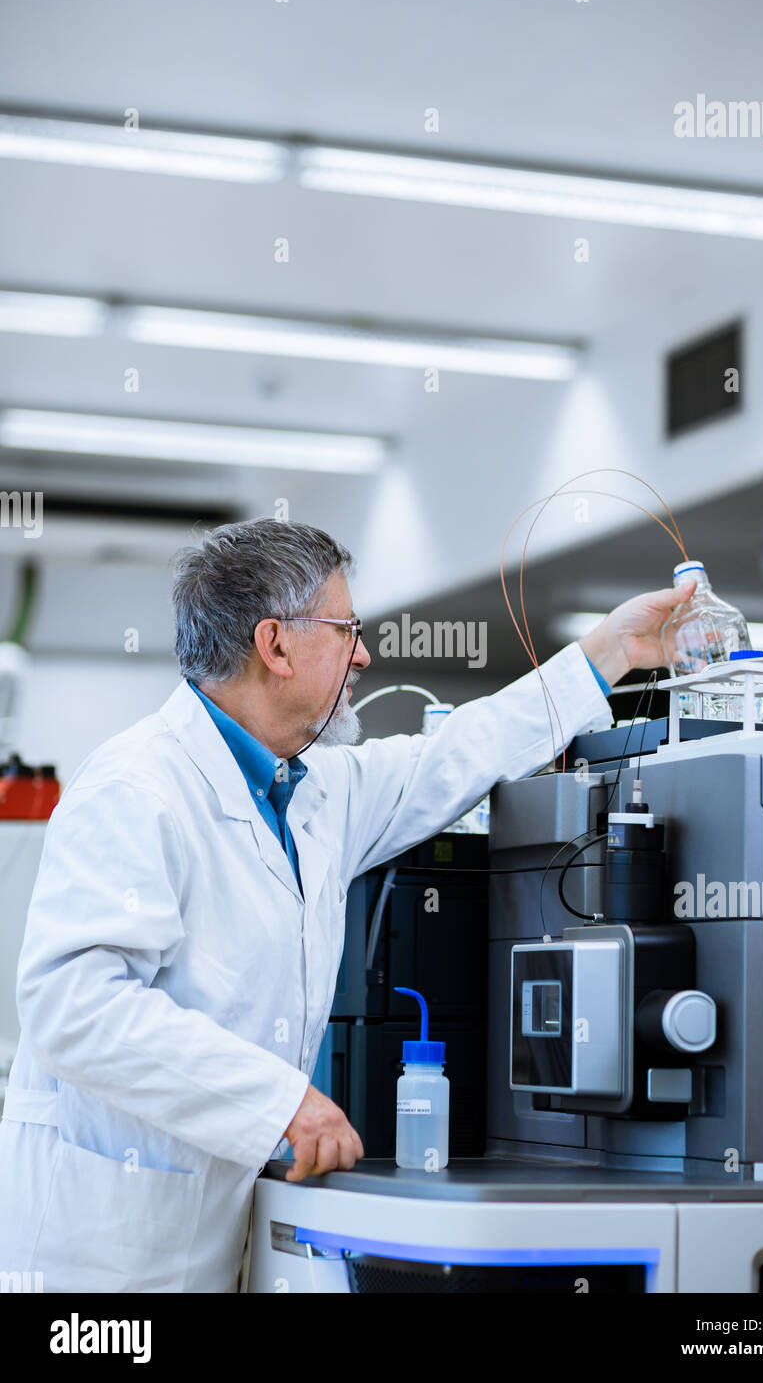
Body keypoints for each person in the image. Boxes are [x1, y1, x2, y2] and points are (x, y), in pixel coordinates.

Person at [0, 518, 694, 1292]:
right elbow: (75, 1006)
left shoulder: (313, 789)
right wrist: (280, 1102)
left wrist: (609, 655)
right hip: (100, 1256)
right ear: (277, 645)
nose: (363, 654)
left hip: (213, 1232)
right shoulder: (137, 788)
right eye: (346, 629)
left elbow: (451, 754)